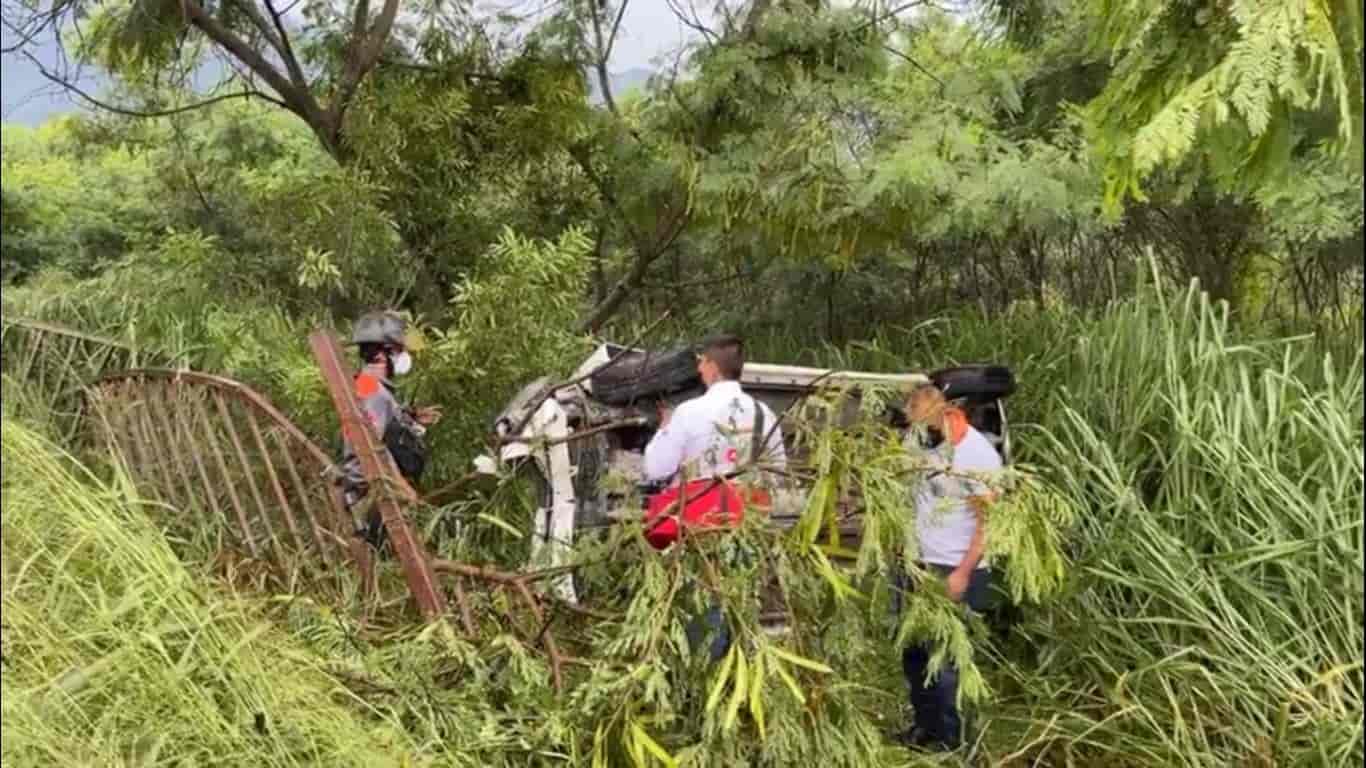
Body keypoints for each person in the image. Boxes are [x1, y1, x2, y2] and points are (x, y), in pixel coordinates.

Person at [641, 333, 787, 660]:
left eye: (701, 363)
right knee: (744, 608)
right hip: (749, 529)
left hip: (699, 533)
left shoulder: (689, 412)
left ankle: (706, 685)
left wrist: (663, 430)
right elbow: (778, 471)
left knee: (704, 613)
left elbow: (655, 468)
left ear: (709, 366)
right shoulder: (764, 414)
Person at [898, 381, 1001, 751]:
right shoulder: (922, 444)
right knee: (915, 653)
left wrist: (962, 572)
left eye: (924, 427)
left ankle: (956, 742)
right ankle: (925, 726)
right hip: (920, 563)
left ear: (942, 415)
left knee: (949, 661)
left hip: (957, 567)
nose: (919, 435)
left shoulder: (978, 455)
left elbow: (988, 524)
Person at [339, 310, 441, 547]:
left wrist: (409, 418)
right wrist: (403, 489)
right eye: (400, 350)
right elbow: (372, 447)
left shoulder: (369, 386)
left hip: (375, 493)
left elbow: (380, 428)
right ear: (386, 353)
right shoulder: (373, 391)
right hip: (373, 496)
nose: (404, 357)